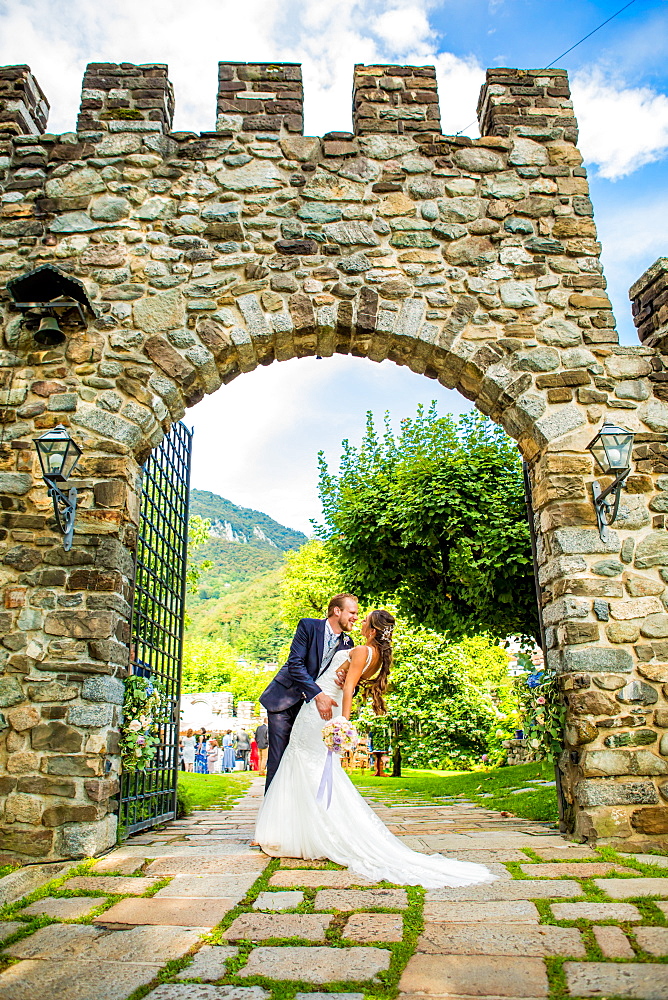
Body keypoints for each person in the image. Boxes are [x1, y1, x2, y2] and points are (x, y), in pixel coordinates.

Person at [255, 609, 496, 889]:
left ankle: (306, 832)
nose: (360, 620)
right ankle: (299, 829)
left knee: (304, 763)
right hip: (322, 707)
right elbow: (349, 682)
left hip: (322, 711)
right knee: (310, 766)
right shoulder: (375, 654)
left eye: (364, 618)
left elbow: (348, 689)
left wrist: (343, 721)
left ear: (372, 628)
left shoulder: (360, 651)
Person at [260, 593, 358, 789]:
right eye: (352, 612)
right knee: (278, 761)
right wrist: (318, 695)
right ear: (337, 611)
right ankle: (273, 817)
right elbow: (295, 664)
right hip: (284, 700)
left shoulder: (349, 644)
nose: (355, 617)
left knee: (305, 761)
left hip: (313, 711)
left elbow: (348, 682)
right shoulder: (308, 626)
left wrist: (345, 684)